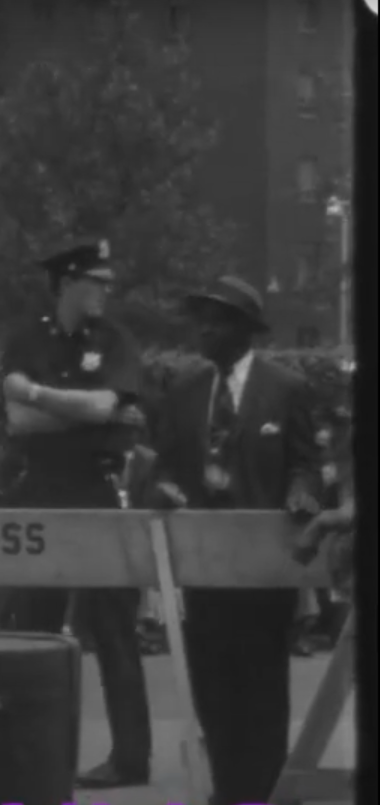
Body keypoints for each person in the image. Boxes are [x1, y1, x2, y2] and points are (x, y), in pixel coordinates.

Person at [149, 275, 322, 805]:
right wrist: (162, 489)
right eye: (200, 318)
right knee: (212, 685)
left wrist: (301, 491)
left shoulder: (286, 388)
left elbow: (306, 465)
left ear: (245, 330)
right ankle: (227, 791)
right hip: (203, 568)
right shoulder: (183, 390)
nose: (204, 329)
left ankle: (263, 793)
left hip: (263, 570)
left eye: (217, 320)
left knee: (263, 689)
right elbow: (162, 467)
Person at [0, 239, 152, 789]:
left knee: (114, 630)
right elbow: (18, 423)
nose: (106, 290)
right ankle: (31, 752)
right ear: (66, 282)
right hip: (40, 490)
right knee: (33, 628)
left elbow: (111, 407)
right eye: (96, 280)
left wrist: (39, 393)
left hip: (96, 489)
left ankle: (131, 758)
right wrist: (85, 412)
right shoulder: (25, 337)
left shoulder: (115, 340)